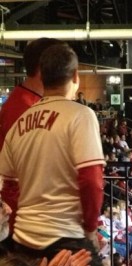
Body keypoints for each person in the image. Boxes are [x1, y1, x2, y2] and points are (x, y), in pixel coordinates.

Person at [0, 43, 109, 266]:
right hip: (67, 239)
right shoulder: (81, 115)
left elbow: (8, 184)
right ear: (75, 76)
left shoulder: (19, 123)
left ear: (43, 75)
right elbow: (91, 179)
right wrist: (91, 230)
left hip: (25, 241)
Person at [0, 38, 65, 238]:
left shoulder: (30, 103)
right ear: (43, 67)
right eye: (61, 64)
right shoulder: (23, 109)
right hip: (26, 220)